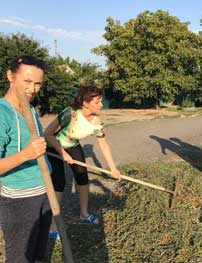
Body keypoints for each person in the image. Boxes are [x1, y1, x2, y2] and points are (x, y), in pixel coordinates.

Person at [45, 85, 121, 240]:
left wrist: (113, 169)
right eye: (97, 102)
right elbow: (47, 134)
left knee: (82, 179)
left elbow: (103, 145)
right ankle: (52, 225)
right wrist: (62, 153)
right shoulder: (70, 114)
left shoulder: (97, 121)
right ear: (86, 103)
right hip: (54, 147)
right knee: (59, 183)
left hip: (73, 146)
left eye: (101, 101)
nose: (101, 105)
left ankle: (84, 214)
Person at [0, 55, 52, 262]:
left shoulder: (29, 108)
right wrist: (26, 154)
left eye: (38, 83)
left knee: (38, 253)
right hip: (18, 200)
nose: (33, 89)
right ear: (11, 76)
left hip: (43, 191)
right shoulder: (2, 113)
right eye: (27, 81)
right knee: (20, 257)